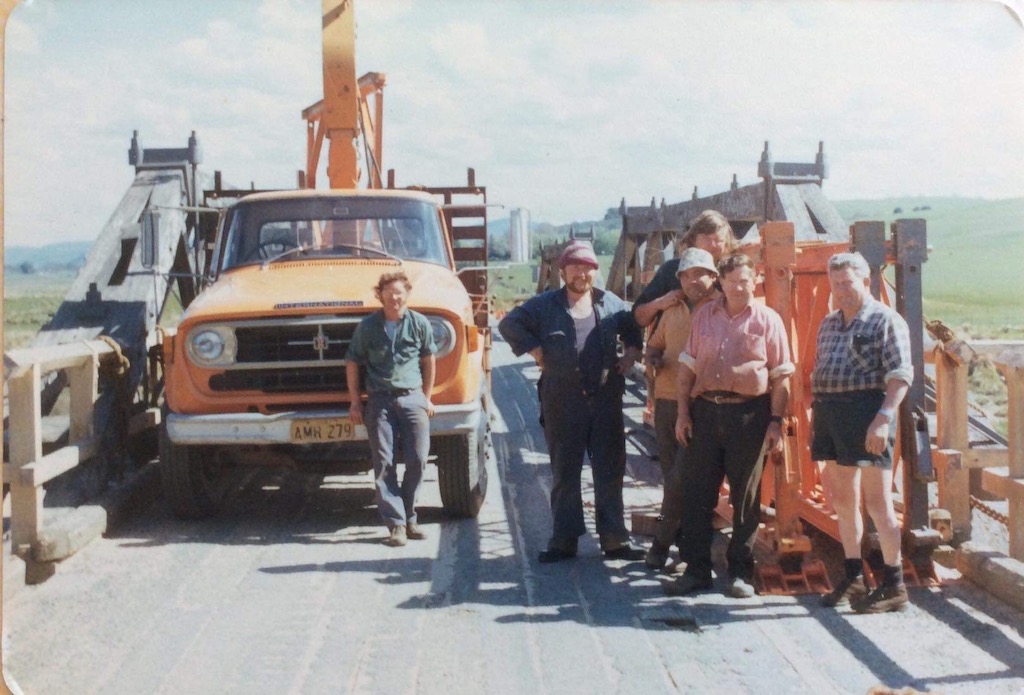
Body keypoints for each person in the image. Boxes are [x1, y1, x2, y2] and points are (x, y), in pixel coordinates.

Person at [499, 240, 645, 563]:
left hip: (606, 400)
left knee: (610, 470)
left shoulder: (613, 304)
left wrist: (632, 356)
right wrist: (535, 349)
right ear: (563, 271)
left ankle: (614, 539)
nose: (582, 273)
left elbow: (637, 329)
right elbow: (508, 324)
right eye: (575, 267)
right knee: (565, 472)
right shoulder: (544, 305)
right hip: (562, 403)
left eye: (589, 267)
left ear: (596, 271)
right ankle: (564, 541)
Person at [663, 253, 794, 598]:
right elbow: (687, 370)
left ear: (755, 280)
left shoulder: (769, 320)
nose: (740, 286)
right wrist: (682, 414)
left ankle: (740, 574)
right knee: (697, 494)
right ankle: (696, 571)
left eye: (746, 279)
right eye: (732, 280)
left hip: (750, 415)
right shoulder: (705, 315)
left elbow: (782, 378)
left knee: (745, 498)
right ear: (720, 282)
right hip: (705, 412)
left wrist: (776, 423)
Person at [813, 252, 913, 613]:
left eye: (848, 283)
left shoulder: (886, 321)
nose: (841, 290)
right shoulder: (829, 323)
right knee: (842, 499)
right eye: (835, 283)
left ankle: (894, 584)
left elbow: (900, 374)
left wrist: (884, 417)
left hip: (868, 416)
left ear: (866, 282)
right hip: (833, 415)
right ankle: (853, 576)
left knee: (878, 503)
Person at [641, 247, 720, 569]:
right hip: (668, 401)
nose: (693, 280)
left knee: (684, 479)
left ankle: (664, 544)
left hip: (705, 404)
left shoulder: (721, 308)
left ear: (714, 277)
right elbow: (654, 345)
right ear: (680, 280)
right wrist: (653, 358)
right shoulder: (672, 309)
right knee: (673, 476)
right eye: (687, 275)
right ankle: (681, 545)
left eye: (701, 273)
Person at [346, 271, 437, 547]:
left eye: (399, 292)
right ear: (380, 295)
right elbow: (352, 362)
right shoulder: (368, 327)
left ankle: (410, 516)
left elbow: (429, 358)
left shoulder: (419, 323)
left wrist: (427, 397)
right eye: (389, 293)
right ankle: (396, 524)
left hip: (412, 399)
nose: (394, 298)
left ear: (406, 294)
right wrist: (354, 401)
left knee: (418, 459)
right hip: (379, 401)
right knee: (384, 463)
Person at [633, 210, 738, 329]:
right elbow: (638, 318)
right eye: (705, 239)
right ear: (693, 240)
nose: (712, 245)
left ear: (727, 243)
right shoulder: (671, 269)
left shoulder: (732, 273)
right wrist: (659, 303)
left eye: (718, 240)